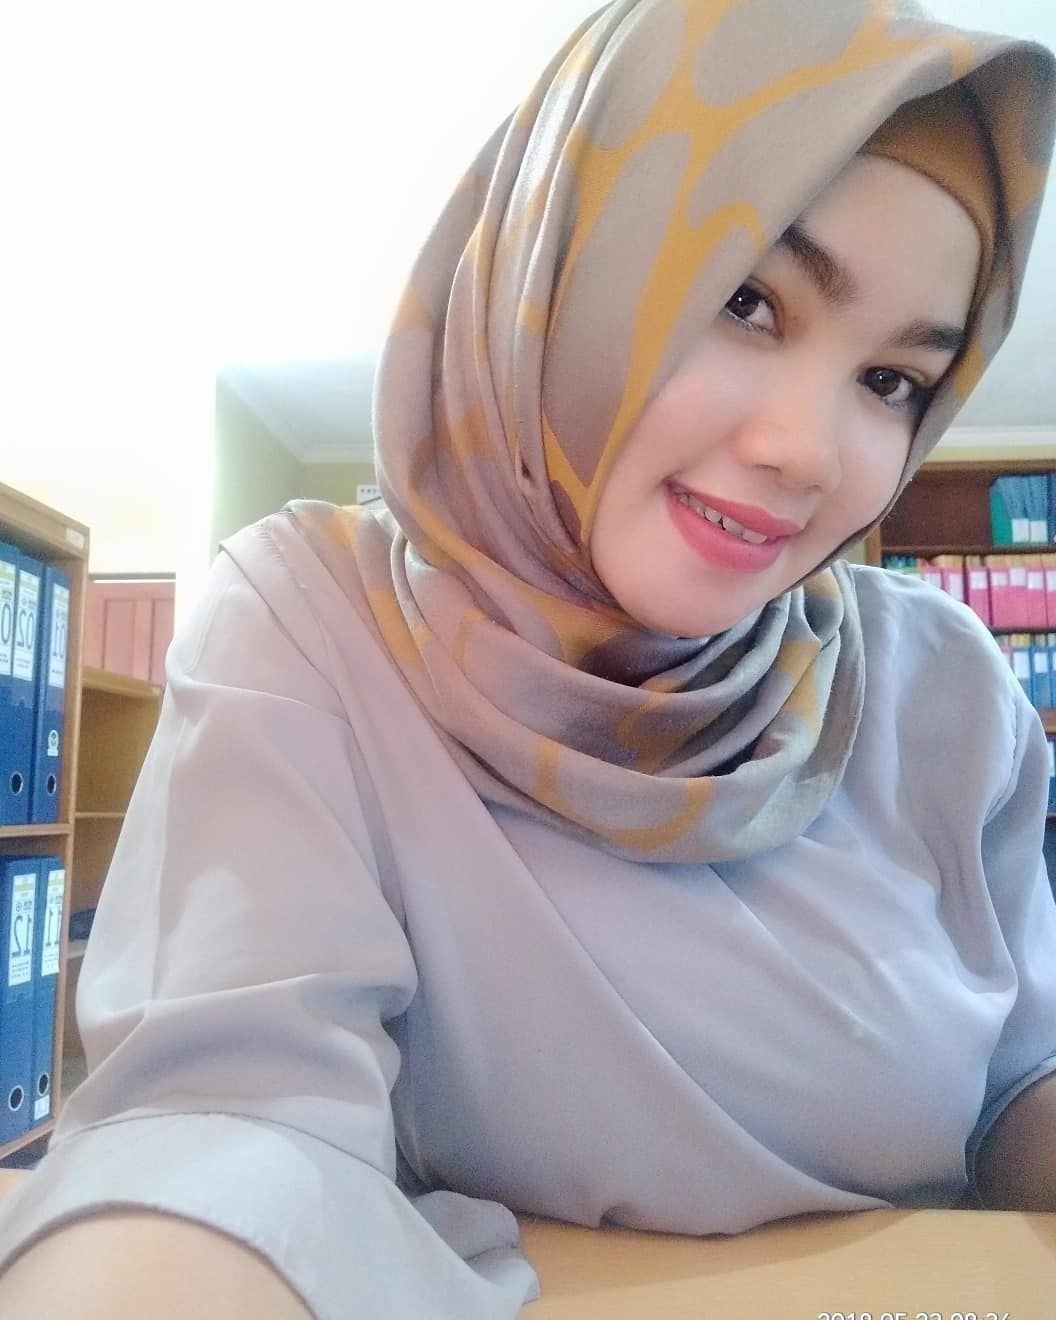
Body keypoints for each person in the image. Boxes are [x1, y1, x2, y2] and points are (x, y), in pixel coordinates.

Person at [1, 1, 1055, 1316]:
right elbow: (227, 1129)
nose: (804, 451)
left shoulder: (942, 684)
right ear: (567, 275)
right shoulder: (315, 624)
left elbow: (1022, 1082)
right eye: (747, 302)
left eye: (893, 381)